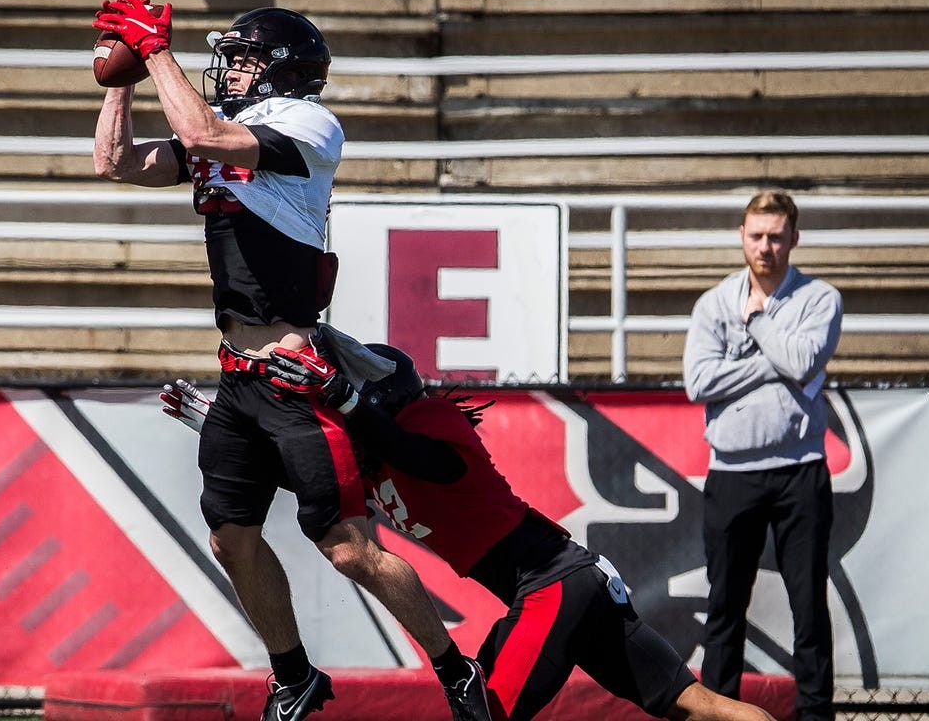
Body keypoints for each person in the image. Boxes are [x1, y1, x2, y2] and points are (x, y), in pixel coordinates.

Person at [91, 0, 491, 721]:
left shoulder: (309, 123)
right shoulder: (228, 131)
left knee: (348, 548)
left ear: (281, 70)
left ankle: (457, 669)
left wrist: (154, 53)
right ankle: (294, 675)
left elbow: (200, 130)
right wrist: (119, 71)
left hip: (292, 371)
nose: (231, 70)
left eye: (243, 58)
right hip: (237, 374)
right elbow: (115, 161)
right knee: (231, 537)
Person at [161, 344, 778, 721]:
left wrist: (348, 402)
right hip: (565, 582)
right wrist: (214, 425)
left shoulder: (430, 421)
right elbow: (315, 480)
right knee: (692, 705)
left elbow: (423, 458)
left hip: (551, 583)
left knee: (486, 713)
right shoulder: (376, 457)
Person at [682, 190, 843, 721]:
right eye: (757, 236)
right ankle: (719, 714)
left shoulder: (820, 300)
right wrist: (776, 360)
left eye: (776, 236)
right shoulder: (713, 303)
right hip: (732, 475)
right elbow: (699, 382)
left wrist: (756, 326)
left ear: (794, 239)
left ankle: (816, 717)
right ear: (741, 237)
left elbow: (802, 361)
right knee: (725, 609)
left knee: (809, 610)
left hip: (800, 472)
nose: (766, 247)